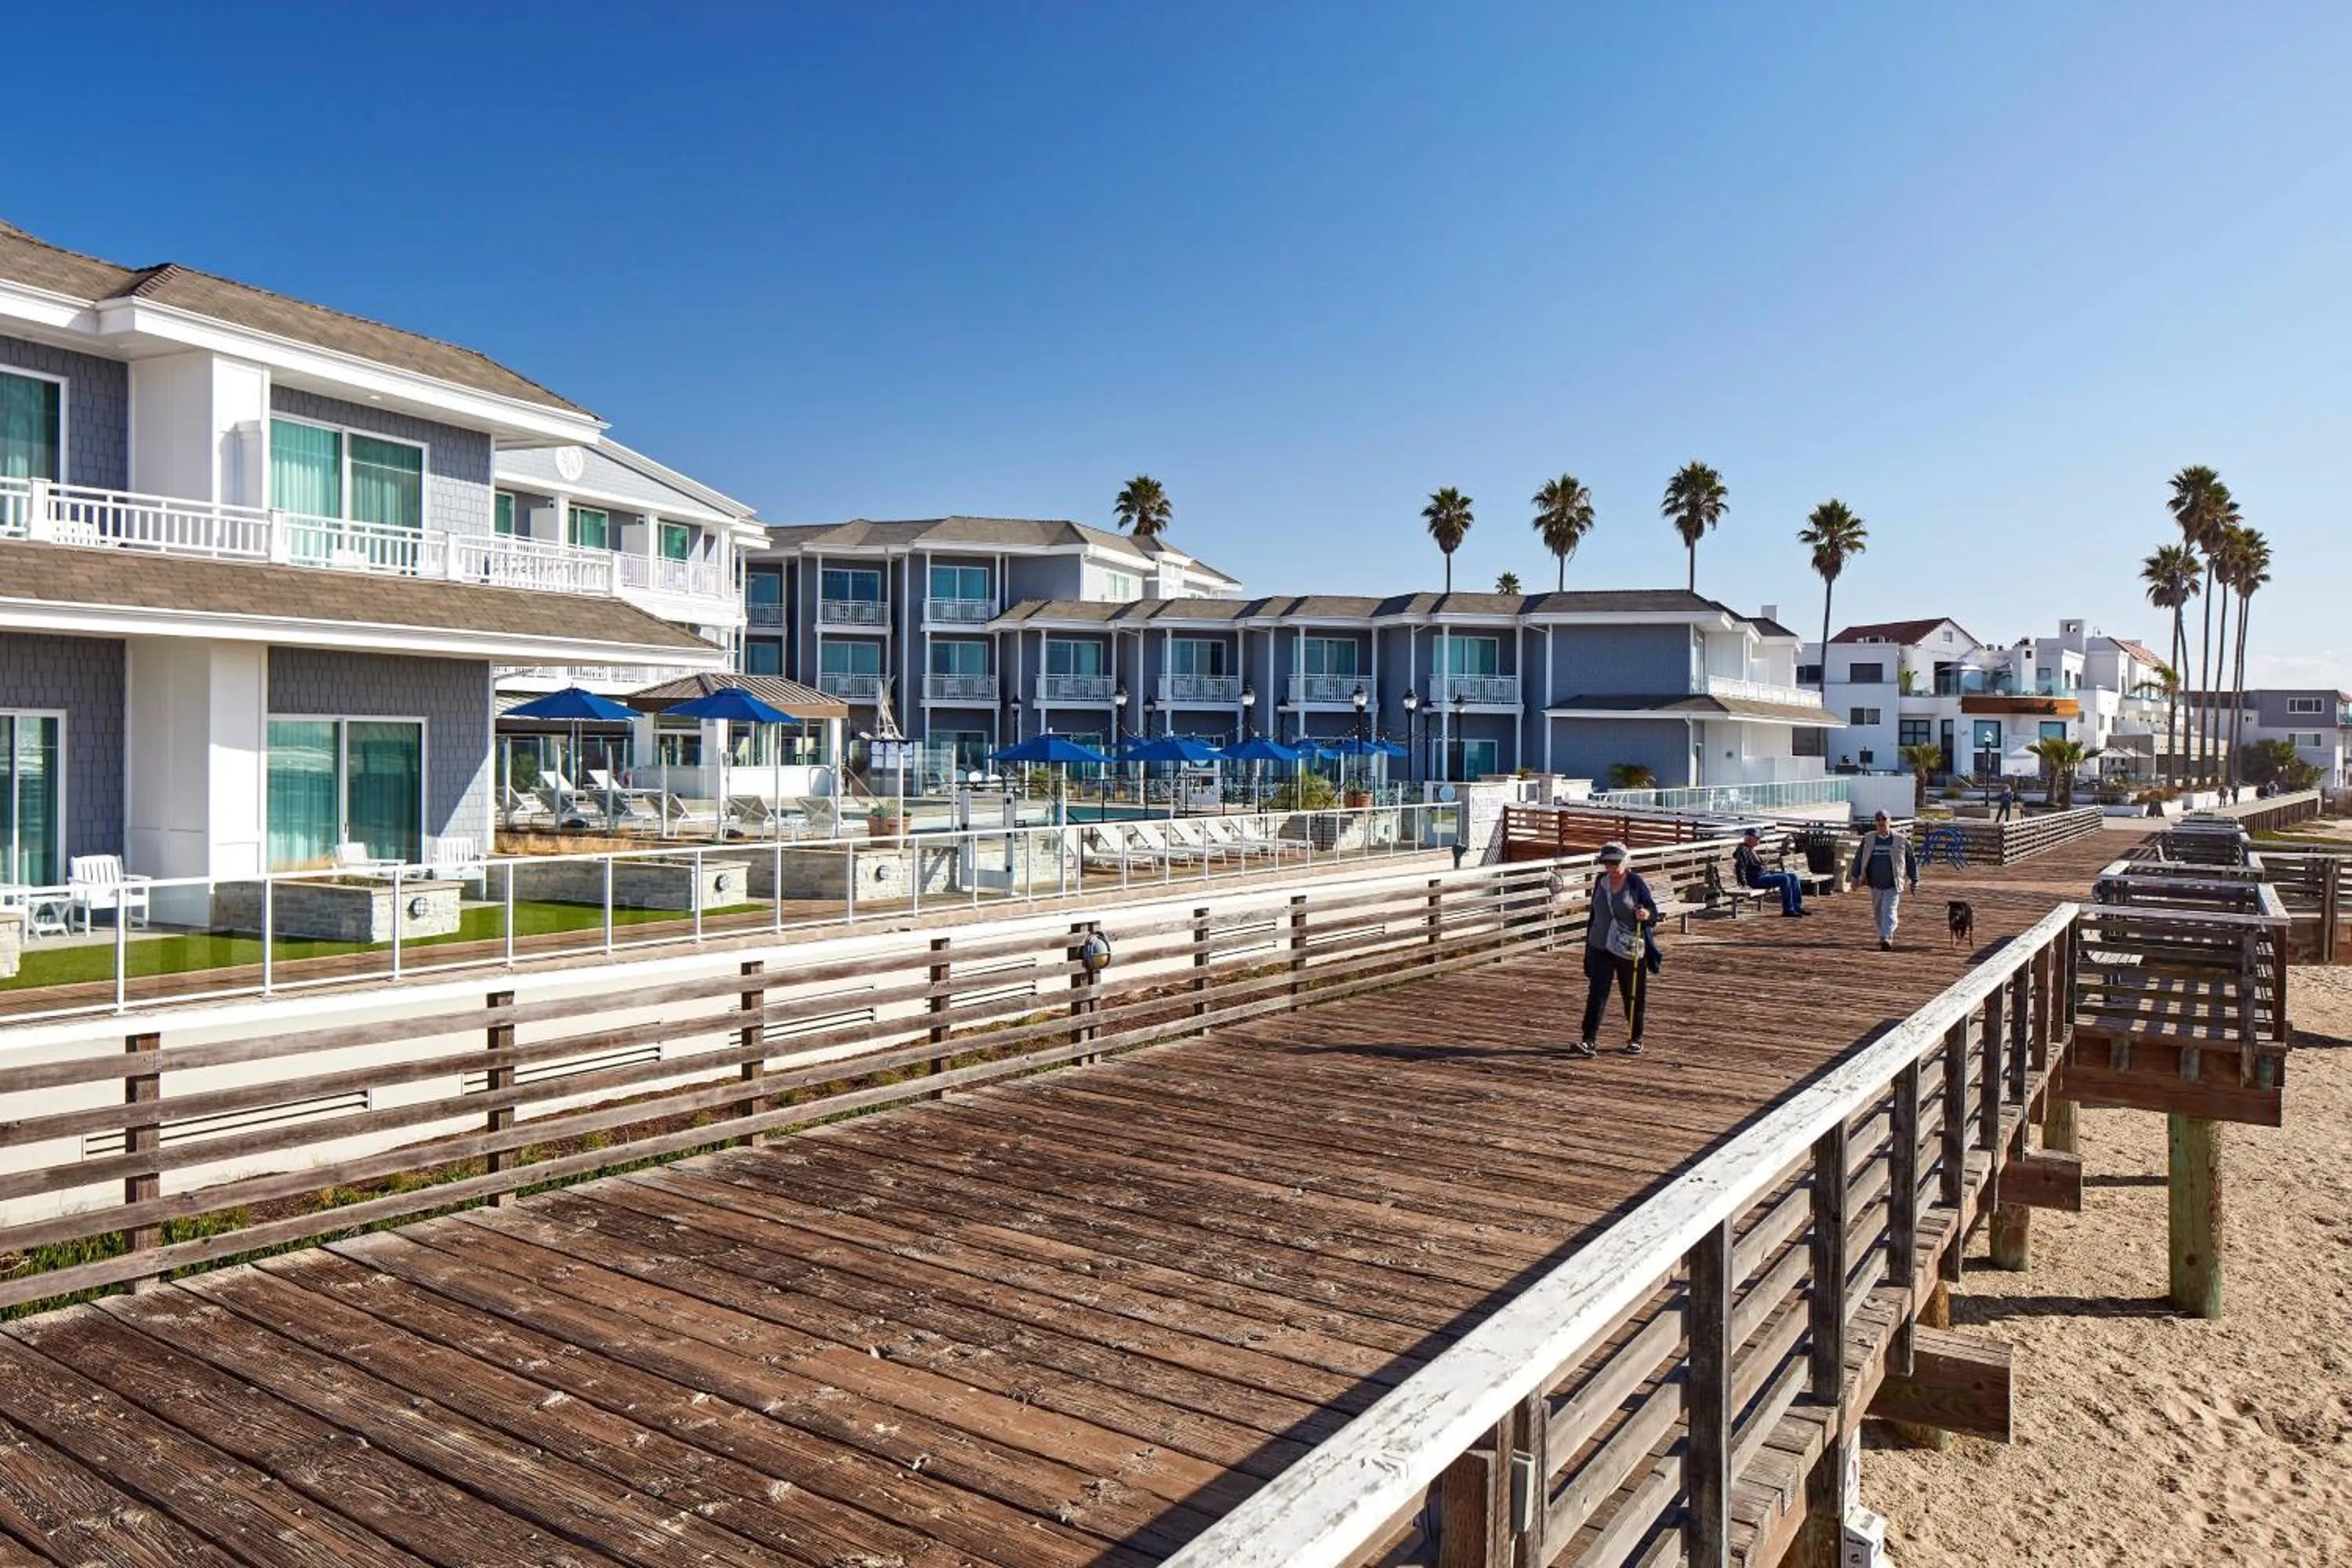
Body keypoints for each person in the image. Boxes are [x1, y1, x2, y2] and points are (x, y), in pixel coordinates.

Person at [1577, 841, 1658, 1057]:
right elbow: (1594, 915)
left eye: (1614, 862)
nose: (1610, 868)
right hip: (1600, 944)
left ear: (1625, 861)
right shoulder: (1599, 881)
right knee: (1597, 992)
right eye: (1605, 863)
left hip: (1627, 946)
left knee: (1632, 993)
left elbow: (1653, 911)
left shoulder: (1635, 882)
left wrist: (1646, 915)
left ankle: (1635, 1038)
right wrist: (1588, 945)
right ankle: (1588, 1040)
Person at [1851, 810, 1919, 951]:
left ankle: (1887, 937)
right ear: (1876, 823)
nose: (1882, 824)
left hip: (1893, 882)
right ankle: (1883, 933)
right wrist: (1855, 877)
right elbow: (1859, 858)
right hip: (1874, 883)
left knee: (1889, 910)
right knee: (1878, 912)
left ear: (1890, 822)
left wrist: (1914, 879)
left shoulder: (1901, 840)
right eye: (1879, 821)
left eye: (1884, 821)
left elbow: (1910, 860)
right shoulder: (1868, 839)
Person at [1733, 827, 1810, 917]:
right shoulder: (1743, 850)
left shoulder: (1751, 849)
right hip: (1756, 880)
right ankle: (1788, 909)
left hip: (1764, 875)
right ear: (1749, 838)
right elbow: (1740, 867)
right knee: (1784, 879)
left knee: (1793, 876)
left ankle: (1797, 907)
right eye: (1757, 838)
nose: (1759, 840)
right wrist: (1744, 883)